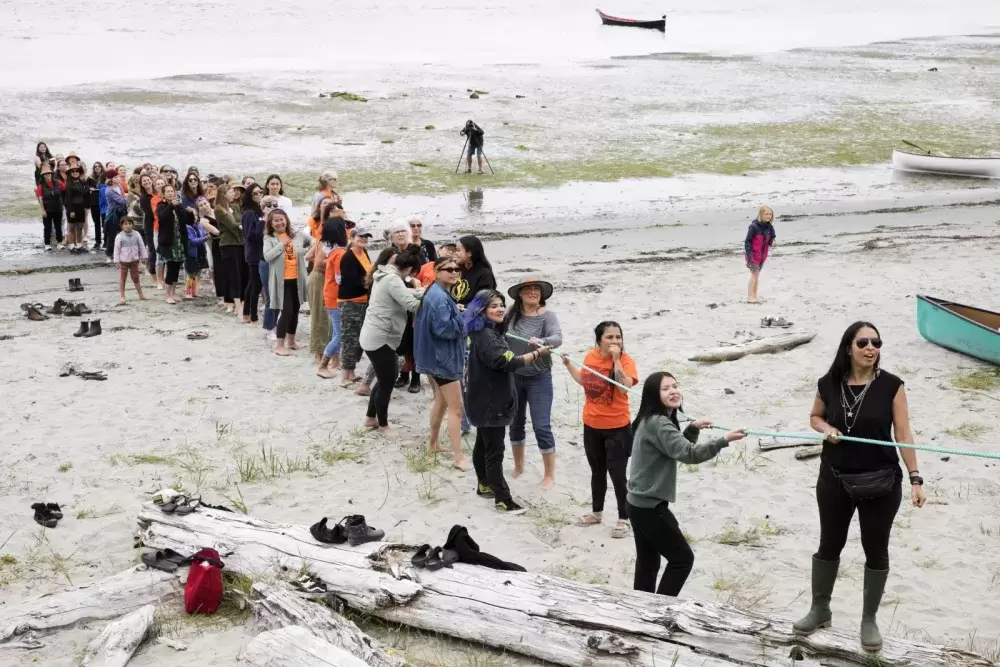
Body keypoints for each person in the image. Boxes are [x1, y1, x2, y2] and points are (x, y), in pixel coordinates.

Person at [793, 321, 925, 653]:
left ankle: (869, 619)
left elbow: (904, 434)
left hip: (881, 481)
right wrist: (826, 427)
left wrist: (915, 478)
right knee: (829, 545)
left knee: (875, 549)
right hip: (834, 478)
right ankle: (820, 609)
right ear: (848, 347)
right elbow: (814, 416)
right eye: (863, 342)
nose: (871, 348)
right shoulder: (829, 383)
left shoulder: (892, 386)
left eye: (877, 343)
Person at [627, 372, 747, 596]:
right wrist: (723, 440)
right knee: (682, 560)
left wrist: (691, 430)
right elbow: (689, 454)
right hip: (649, 507)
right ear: (654, 394)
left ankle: (640, 609)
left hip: (636, 504)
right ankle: (660, 611)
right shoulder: (659, 422)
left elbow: (675, 450)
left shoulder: (654, 419)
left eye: (675, 386)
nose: (673, 391)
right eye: (665, 388)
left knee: (648, 563)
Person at [464, 289, 550, 514]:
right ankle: (503, 498)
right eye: (493, 306)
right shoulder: (487, 336)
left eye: (501, 304)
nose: (500, 309)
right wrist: (537, 354)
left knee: (483, 443)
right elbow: (506, 362)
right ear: (482, 310)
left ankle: (483, 484)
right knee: (494, 451)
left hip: (480, 399)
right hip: (491, 403)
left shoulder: (486, 332)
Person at [562, 321, 638, 539]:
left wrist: (616, 360)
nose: (615, 341)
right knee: (597, 472)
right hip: (592, 425)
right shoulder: (590, 357)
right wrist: (568, 365)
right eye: (609, 337)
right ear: (599, 340)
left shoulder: (626, 361)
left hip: (618, 428)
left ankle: (624, 518)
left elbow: (624, 386)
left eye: (618, 337)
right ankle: (596, 513)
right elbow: (586, 383)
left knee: (617, 475)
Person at [504, 279, 562, 489]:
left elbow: (557, 338)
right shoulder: (511, 313)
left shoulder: (548, 316)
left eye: (536, 289)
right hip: (514, 375)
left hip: (539, 377)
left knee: (541, 425)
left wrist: (543, 341)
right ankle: (519, 466)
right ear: (519, 294)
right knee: (515, 422)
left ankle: (549, 475)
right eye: (528, 289)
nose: (532, 292)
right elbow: (500, 330)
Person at [414, 257, 469, 470]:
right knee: (456, 408)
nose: (454, 272)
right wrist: (465, 320)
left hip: (432, 356)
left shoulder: (436, 292)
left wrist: (457, 312)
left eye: (457, 269)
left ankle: (433, 444)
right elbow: (443, 329)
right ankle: (459, 458)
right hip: (443, 359)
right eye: (449, 269)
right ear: (437, 272)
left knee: (441, 402)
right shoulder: (438, 297)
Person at [359, 251, 424, 432]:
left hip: (372, 335)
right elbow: (411, 305)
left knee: (382, 380)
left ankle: (370, 418)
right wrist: (436, 302)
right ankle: (384, 425)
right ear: (409, 269)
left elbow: (404, 293)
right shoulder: (393, 280)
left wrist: (422, 293)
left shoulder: (383, 276)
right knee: (387, 383)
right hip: (381, 338)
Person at [262, 208, 312, 355]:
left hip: (297, 280)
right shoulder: (269, 238)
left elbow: (313, 242)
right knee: (286, 311)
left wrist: (305, 252)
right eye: (275, 220)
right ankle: (279, 345)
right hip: (282, 281)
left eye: (281, 219)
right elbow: (267, 256)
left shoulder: (297, 235)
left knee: (296, 310)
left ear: (286, 220)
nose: (279, 223)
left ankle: (291, 341)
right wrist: (281, 244)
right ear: (271, 223)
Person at [337, 228, 374, 387]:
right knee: (349, 337)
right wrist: (371, 285)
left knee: (358, 338)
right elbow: (352, 281)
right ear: (352, 238)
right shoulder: (348, 257)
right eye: (360, 236)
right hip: (350, 301)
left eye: (366, 237)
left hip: (362, 300)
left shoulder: (364, 253)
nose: (364, 239)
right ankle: (344, 376)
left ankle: (351, 372)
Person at [317, 219, 349, 377]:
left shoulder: (334, 251)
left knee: (338, 332)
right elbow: (340, 279)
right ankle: (323, 365)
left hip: (331, 297)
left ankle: (329, 364)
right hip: (335, 299)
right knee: (340, 334)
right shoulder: (340, 253)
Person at [156, 184, 192, 305]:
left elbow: (187, 221)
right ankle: (167, 295)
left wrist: (190, 213)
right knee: (171, 268)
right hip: (169, 243)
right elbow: (162, 218)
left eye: (172, 191)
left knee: (177, 268)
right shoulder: (161, 206)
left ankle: (173, 293)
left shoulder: (178, 206)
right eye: (168, 192)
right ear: (163, 194)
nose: (171, 193)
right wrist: (171, 205)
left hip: (179, 242)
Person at [113, 216, 149, 304]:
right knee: (123, 278)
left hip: (134, 261)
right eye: (125, 224)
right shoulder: (119, 236)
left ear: (132, 224)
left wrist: (144, 256)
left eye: (130, 223)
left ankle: (141, 295)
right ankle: (122, 296)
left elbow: (141, 246)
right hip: (124, 262)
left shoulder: (136, 234)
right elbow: (116, 250)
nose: (128, 225)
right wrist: (116, 261)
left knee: (136, 278)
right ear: (122, 226)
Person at [451, 235, 496, 306]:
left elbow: (484, 301)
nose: (455, 253)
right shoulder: (458, 269)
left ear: (469, 253)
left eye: (458, 250)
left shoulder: (484, 274)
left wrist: (464, 306)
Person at [744, 205, 776, 304]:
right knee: (754, 275)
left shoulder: (770, 228)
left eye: (770, 214)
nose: (768, 216)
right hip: (753, 256)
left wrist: (773, 243)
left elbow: (770, 241)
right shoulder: (753, 227)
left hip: (762, 257)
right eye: (766, 214)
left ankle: (755, 295)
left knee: (757, 276)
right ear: (761, 214)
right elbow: (747, 242)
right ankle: (750, 297)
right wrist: (750, 256)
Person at [183, 198, 212, 298]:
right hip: (192, 254)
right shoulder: (188, 227)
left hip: (200, 252)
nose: (196, 217)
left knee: (197, 272)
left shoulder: (199, 225)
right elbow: (192, 240)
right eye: (193, 216)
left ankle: (194, 290)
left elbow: (203, 233)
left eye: (196, 215)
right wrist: (204, 238)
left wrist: (206, 234)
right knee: (190, 273)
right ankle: (188, 291)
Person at [35, 164, 65, 250]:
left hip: (58, 208)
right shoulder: (40, 187)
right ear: (43, 176)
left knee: (58, 226)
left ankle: (59, 243)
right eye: (45, 174)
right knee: (47, 227)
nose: (47, 175)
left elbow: (65, 190)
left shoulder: (58, 182)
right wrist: (42, 210)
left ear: (51, 174)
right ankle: (47, 244)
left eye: (49, 173)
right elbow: (40, 199)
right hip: (47, 209)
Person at [63, 163, 89, 253]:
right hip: (72, 208)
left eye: (77, 171)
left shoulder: (82, 182)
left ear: (79, 172)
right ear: (70, 173)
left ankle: (79, 245)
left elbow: (85, 192)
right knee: (72, 228)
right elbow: (68, 198)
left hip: (81, 207)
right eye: (73, 171)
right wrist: (71, 211)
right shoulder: (69, 184)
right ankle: (71, 246)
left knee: (80, 228)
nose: (75, 172)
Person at [103, 171, 128, 263]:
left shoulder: (120, 186)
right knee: (112, 235)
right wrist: (130, 197)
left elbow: (123, 197)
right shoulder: (109, 190)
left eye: (117, 177)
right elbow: (121, 200)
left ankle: (120, 254)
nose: (117, 179)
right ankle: (109, 255)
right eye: (115, 177)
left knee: (122, 233)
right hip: (112, 214)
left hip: (121, 213)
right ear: (110, 179)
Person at [87, 162, 105, 249]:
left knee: (105, 222)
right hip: (94, 203)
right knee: (96, 223)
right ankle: (98, 241)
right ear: (93, 168)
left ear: (101, 167)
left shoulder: (105, 177)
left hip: (104, 202)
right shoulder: (90, 177)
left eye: (99, 166)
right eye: (95, 166)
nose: (97, 168)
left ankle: (106, 240)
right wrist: (89, 188)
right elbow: (86, 187)